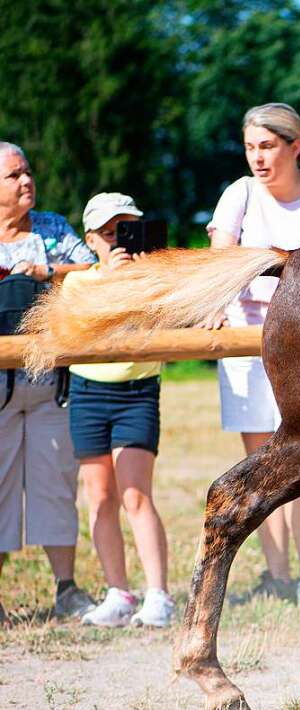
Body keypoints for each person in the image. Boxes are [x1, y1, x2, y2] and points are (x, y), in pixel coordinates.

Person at [203, 103, 300, 605]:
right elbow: (221, 262)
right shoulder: (240, 195)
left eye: (268, 146)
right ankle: (277, 574)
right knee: (260, 464)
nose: (258, 158)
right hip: (251, 342)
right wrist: (217, 306)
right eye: (250, 148)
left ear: (295, 146)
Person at [66, 193, 174, 627]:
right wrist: (110, 280)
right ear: (91, 240)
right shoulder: (78, 283)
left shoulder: (152, 280)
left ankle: (158, 595)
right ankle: (118, 592)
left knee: (135, 495)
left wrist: (137, 278)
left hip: (137, 391)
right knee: (101, 498)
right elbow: (81, 324)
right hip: (88, 391)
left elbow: (170, 318)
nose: (119, 242)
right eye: (109, 234)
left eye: (127, 230)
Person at [0, 141, 96, 621]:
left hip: (49, 381)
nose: (26, 181)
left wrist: (49, 271)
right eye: (14, 175)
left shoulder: (53, 228)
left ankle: (67, 590)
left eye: (28, 172)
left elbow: (93, 270)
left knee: (57, 481)